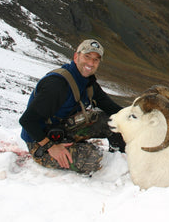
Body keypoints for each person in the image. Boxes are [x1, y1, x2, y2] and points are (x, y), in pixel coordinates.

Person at [20, 39, 125, 174]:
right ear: (76, 57)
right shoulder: (57, 85)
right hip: (39, 142)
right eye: (87, 57)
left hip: (63, 130)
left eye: (96, 60)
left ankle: (120, 156)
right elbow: (27, 121)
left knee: (112, 121)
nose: (91, 63)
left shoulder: (88, 84)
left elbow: (112, 109)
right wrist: (51, 147)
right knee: (93, 157)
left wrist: (142, 115)